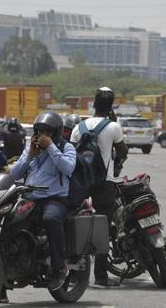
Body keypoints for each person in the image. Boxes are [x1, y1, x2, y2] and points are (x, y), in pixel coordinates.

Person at [10, 111, 76, 292]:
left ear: (56, 133)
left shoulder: (66, 147)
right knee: (8, 221)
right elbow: (14, 174)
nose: (43, 136)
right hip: (30, 198)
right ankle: (4, 274)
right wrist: (30, 154)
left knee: (51, 219)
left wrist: (52, 147)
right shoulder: (31, 149)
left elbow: (68, 167)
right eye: (40, 132)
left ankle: (59, 267)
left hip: (55, 199)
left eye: (48, 132)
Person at [70, 87, 127, 287]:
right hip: (105, 184)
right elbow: (123, 151)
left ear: (94, 103)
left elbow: (71, 155)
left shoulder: (79, 127)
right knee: (103, 228)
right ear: (111, 106)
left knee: (76, 226)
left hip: (81, 185)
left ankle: (75, 275)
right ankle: (100, 277)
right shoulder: (113, 127)